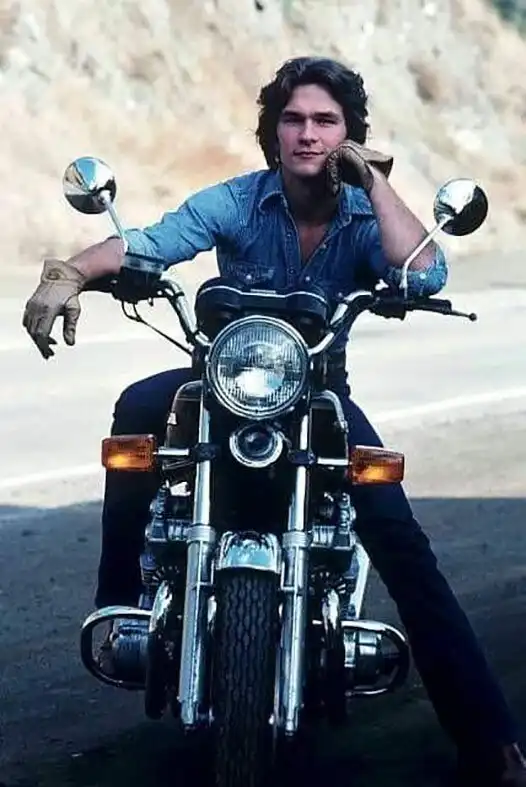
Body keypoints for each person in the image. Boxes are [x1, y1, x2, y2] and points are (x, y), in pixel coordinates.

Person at [23, 56, 525, 785]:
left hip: (318, 398)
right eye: (293, 120)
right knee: (136, 409)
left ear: (350, 134)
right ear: (274, 131)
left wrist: (374, 181)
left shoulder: (364, 214)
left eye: (326, 121)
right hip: (222, 383)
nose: (308, 134)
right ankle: (121, 606)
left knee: (400, 539)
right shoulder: (239, 199)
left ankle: (490, 740)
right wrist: (69, 272)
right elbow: (152, 241)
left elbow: (423, 272)